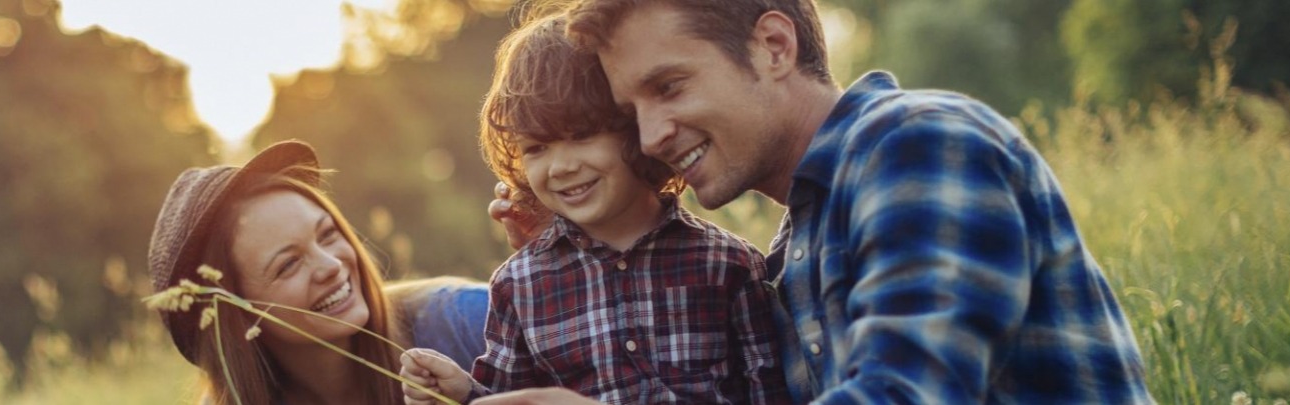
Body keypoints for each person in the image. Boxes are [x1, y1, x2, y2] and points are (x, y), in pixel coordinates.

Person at [481, 0, 1154, 403]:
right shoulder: (792, 252)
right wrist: (582, 252)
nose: (651, 137)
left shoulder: (919, 142)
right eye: (632, 112)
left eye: (670, 87)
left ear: (774, 46)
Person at [398, 14, 789, 405]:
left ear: (636, 128)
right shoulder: (519, 285)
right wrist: (464, 394)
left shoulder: (729, 263)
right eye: (536, 148)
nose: (561, 166)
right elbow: (511, 397)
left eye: (581, 136)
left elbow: (769, 392)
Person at [146, 140, 490, 405]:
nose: (331, 265)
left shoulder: (469, 321)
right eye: (289, 264)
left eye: (328, 235)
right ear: (240, 315)